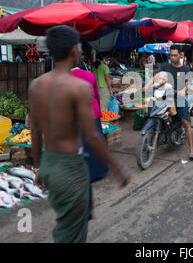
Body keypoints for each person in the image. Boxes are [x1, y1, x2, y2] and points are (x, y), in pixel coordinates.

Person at [28, 25, 129, 243]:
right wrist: (117, 167)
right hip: (70, 168)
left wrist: (39, 167)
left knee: (72, 222)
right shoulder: (78, 86)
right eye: (80, 48)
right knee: (70, 232)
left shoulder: (36, 85)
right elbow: (92, 136)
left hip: (50, 164)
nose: (81, 52)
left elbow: (35, 132)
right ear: (74, 50)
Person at [144, 46, 193, 160]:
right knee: (154, 112)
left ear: (181, 55)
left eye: (175, 55)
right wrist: (147, 85)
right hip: (165, 96)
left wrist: (184, 90)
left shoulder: (186, 69)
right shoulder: (165, 66)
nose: (173, 57)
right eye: (171, 55)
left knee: (185, 122)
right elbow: (155, 77)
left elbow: (189, 83)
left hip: (179, 97)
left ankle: (192, 150)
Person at [71, 65, 109, 182]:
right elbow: (97, 94)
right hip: (93, 110)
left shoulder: (66, 76)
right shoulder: (90, 75)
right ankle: (101, 171)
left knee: (83, 143)